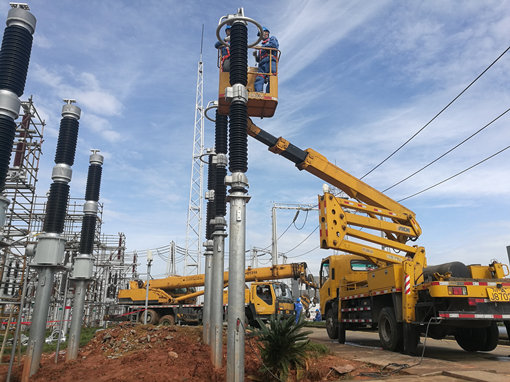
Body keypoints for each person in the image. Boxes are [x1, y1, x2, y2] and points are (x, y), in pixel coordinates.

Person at [254, 26, 279, 93]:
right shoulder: (261, 46)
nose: (261, 36)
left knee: (271, 77)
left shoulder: (272, 39)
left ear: (266, 33)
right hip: (262, 64)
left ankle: (270, 92)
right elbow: (259, 59)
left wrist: (262, 47)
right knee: (259, 77)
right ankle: (259, 92)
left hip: (270, 61)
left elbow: (274, 45)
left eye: (261, 33)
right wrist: (255, 56)